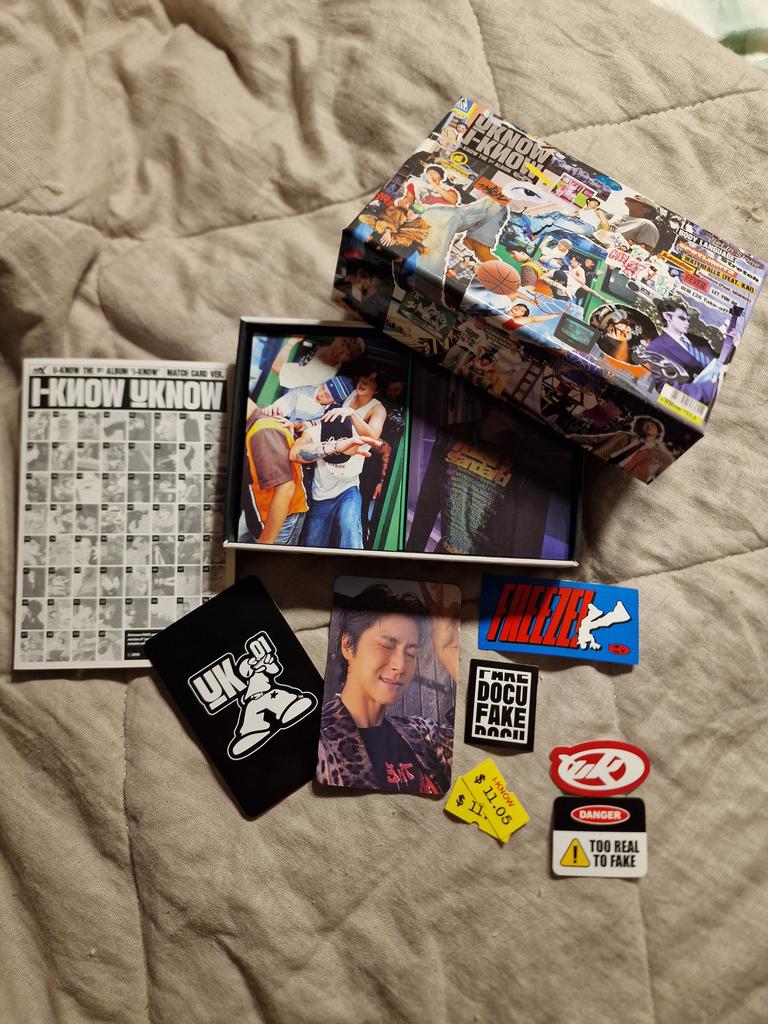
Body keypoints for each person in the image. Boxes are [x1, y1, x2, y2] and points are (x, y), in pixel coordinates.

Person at [316, 583, 455, 794]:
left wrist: (448, 652)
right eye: (386, 646)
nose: (400, 665)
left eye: (410, 653)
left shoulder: (422, 732)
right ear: (348, 646)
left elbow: (469, 748)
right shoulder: (321, 743)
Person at [288, 395, 383, 550]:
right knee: (314, 544)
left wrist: (353, 415)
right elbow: (295, 453)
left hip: (348, 490)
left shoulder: (360, 436)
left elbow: (378, 441)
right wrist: (334, 447)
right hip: (320, 496)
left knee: (350, 528)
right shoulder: (315, 432)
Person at [570, 415, 673, 482]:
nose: (649, 426)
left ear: (658, 432)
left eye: (653, 426)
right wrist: (569, 437)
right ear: (639, 427)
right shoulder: (622, 435)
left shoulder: (659, 455)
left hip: (619, 479)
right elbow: (595, 439)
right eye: (645, 425)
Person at [271, 336, 366, 389]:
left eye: (347, 353)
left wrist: (291, 343)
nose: (339, 351)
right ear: (337, 337)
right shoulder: (318, 345)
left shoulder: (324, 376)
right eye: (342, 343)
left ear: (349, 360)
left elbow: (277, 368)